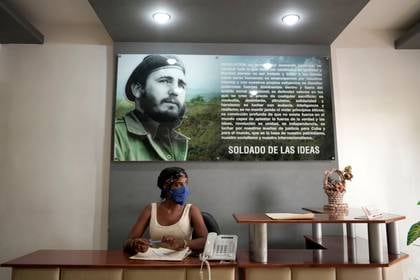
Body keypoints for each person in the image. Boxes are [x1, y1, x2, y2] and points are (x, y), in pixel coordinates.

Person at [114, 55, 189, 161]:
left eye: (181, 85)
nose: (175, 91)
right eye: (164, 81)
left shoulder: (178, 141)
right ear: (137, 90)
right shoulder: (115, 136)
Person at [123, 167, 208, 254]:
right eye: (178, 184)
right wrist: (135, 244)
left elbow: (206, 241)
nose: (184, 189)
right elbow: (127, 243)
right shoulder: (150, 209)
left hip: (183, 262)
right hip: (154, 261)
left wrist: (184, 243)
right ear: (166, 186)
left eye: (185, 183)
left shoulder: (191, 210)